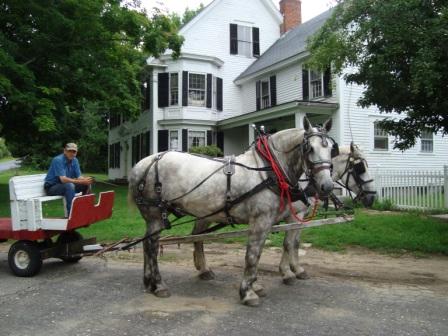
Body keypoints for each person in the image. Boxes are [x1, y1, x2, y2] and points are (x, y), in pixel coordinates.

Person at [44, 143, 93, 216]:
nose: (72, 153)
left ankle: (85, 211)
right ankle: (72, 215)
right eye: (70, 151)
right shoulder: (58, 160)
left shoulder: (75, 160)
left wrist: (87, 180)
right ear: (65, 151)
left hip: (65, 186)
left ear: (76, 153)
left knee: (86, 185)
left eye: (74, 152)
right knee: (69, 186)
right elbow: (63, 179)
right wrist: (81, 181)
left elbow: (79, 177)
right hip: (51, 187)